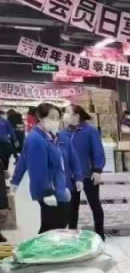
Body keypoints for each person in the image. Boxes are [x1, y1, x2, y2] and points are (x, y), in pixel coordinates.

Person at [11, 102, 71, 233]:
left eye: (57, 118)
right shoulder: (37, 139)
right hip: (49, 190)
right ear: (40, 117)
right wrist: (47, 193)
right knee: (53, 227)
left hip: (57, 187)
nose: (55, 121)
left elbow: (23, 159)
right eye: (51, 117)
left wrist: (63, 187)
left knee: (56, 224)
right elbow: (37, 170)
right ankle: (41, 246)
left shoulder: (48, 136)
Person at [64, 105, 106, 239]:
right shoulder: (64, 133)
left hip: (88, 175)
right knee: (72, 207)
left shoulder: (90, 131)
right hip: (71, 177)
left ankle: (100, 235)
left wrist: (97, 169)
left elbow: (98, 151)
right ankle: (72, 235)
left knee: (95, 205)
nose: (64, 115)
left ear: (76, 116)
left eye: (67, 112)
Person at [55, 110, 83, 230]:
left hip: (68, 184)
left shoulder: (64, 138)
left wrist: (78, 178)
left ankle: (72, 234)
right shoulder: (38, 140)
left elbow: (74, 160)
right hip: (51, 188)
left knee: (72, 213)